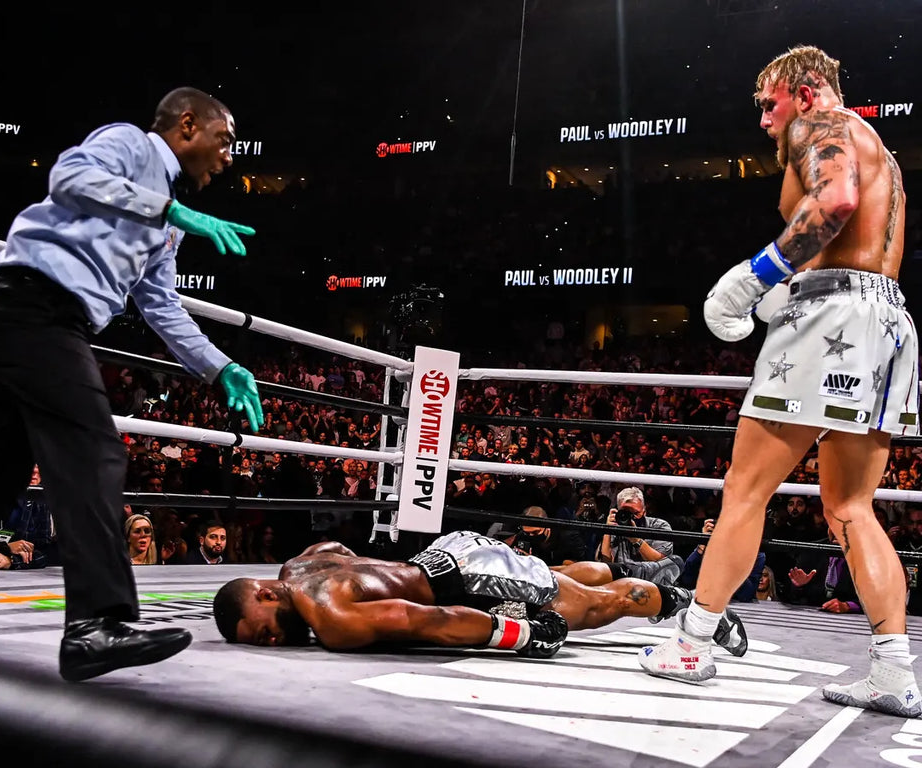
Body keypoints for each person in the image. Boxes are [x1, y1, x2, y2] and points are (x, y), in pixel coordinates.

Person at [0, 87, 265, 683]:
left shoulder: (166, 215)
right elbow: (69, 176)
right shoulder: (129, 143)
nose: (228, 158)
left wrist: (219, 365)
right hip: (29, 306)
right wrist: (164, 209)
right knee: (92, 450)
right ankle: (98, 624)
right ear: (188, 125)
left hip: (35, 321)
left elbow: (160, 304)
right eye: (224, 142)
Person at [640, 45, 921, 717]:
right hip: (888, 321)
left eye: (770, 102)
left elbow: (836, 204)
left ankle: (694, 641)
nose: (766, 120)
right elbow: (853, 241)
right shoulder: (876, 144)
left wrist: (753, 278)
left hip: (831, 321)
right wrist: (786, 288)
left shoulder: (820, 127)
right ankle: (893, 671)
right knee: (850, 507)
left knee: (744, 489)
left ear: (809, 89)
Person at [212, 531, 747, 657]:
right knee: (563, 580)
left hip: (471, 578)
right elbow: (347, 553)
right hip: (444, 556)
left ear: (262, 593)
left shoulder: (328, 618)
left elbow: (423, 618)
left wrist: (519, 633)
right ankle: (596, 570)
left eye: (262, 632)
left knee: (586, 610)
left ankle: (697, 607)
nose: (273, 643)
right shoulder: (300, 562)